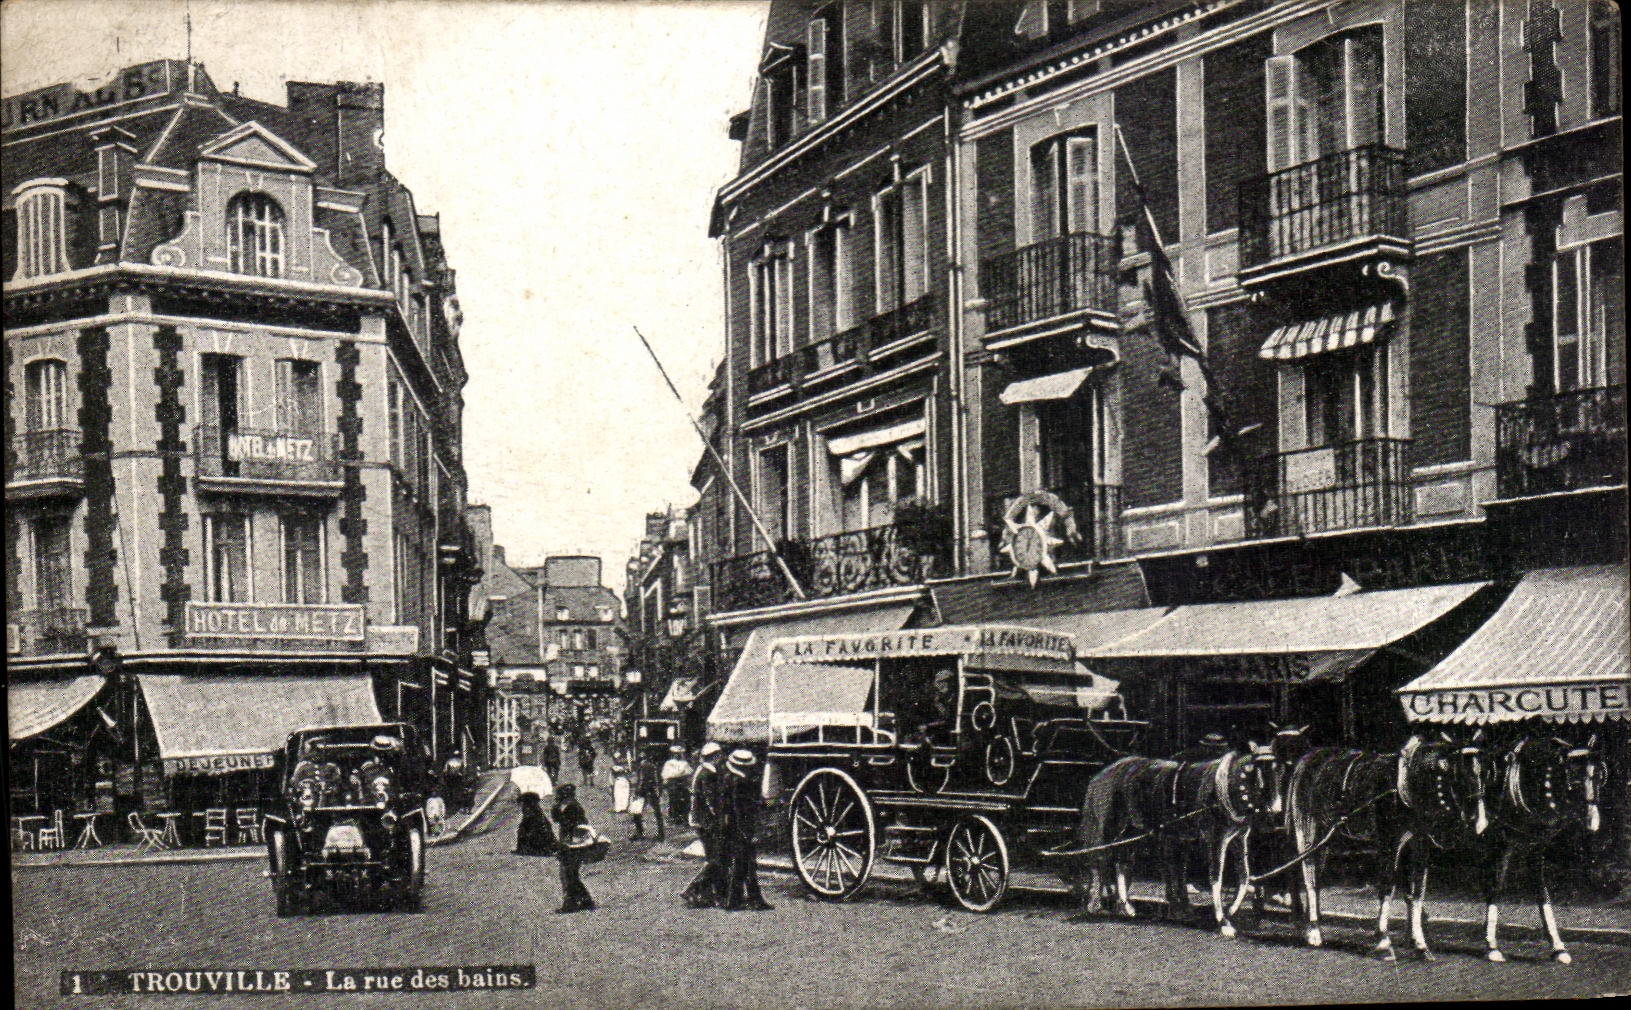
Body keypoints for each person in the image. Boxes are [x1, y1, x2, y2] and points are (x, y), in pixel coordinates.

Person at [721, 748, 773, 911]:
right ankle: (736, 901)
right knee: (744, 864)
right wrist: (746, 832)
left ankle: (750, 898)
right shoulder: (740, 782)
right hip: (741, 826)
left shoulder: (730, 778)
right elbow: (740, 808)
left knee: (746, 864)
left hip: (732, 825)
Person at [681, 742, 726, 907]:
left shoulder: (702, 771)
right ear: (714, 756)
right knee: (715, 860)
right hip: (705, 821)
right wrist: (718, 817)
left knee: (712, 858)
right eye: (719, 755)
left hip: (700, 819)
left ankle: (706, 895)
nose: (720, 759)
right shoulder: (707, 774)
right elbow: (709, 801)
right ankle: (693, 889)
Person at [551, 783, 596, 913]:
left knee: (567, 874)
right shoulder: (573, 805)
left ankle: (570, 903)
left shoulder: (569, 807)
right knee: (572, 874)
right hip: (576, 844)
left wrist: (556, 807)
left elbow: (559, 820)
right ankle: (586, 900)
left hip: (571, 845)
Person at [633, 749, 665, 841]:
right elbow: (658, 780)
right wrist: (659, 792)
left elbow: (641, 781)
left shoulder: (642, 767)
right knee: (658, 813)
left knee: (637, 812)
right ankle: (661, 834)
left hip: (645, 792)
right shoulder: (654, 766)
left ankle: (640, 832)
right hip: (653, 792)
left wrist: (637, 792)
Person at [513, 792, 556, 857]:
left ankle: (527, 849)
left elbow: (527, 819)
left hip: (535, 830)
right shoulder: (535, 807)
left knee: (523, 832)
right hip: (540, 829)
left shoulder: (528, 807)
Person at [661, 745, 692, 826]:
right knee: (673, 801)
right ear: (673, 754)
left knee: (685, 801)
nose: (677, 755)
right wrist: (666, 783)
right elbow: (665, 775)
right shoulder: (669, 763)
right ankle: (675, 818)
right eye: (676, 753)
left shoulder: (684, 763)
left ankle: (684, 818)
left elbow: (689, 773)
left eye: (679, 753)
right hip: (673, 784)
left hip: (682, 784)